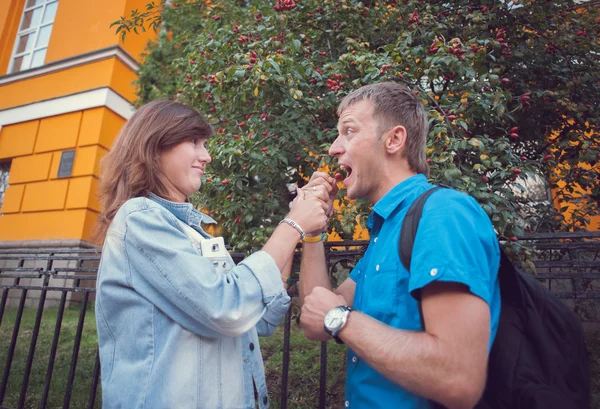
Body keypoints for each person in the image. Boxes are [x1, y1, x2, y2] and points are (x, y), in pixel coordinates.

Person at [94, 100, 329, 409]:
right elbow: (227, 306)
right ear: (154, 145)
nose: (207, 156)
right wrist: (292, 223)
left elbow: (255, 316)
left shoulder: (190, 231)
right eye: (194, 142)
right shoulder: (140, 219)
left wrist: (299, 223)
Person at [298, 82, 501, 409]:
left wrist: (342, 320)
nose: (334, 148)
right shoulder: (388, 229)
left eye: (349, 131)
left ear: (394, 140)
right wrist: (312, 231)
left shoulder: (442, 215)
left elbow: (459, 379)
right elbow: (316, 317)